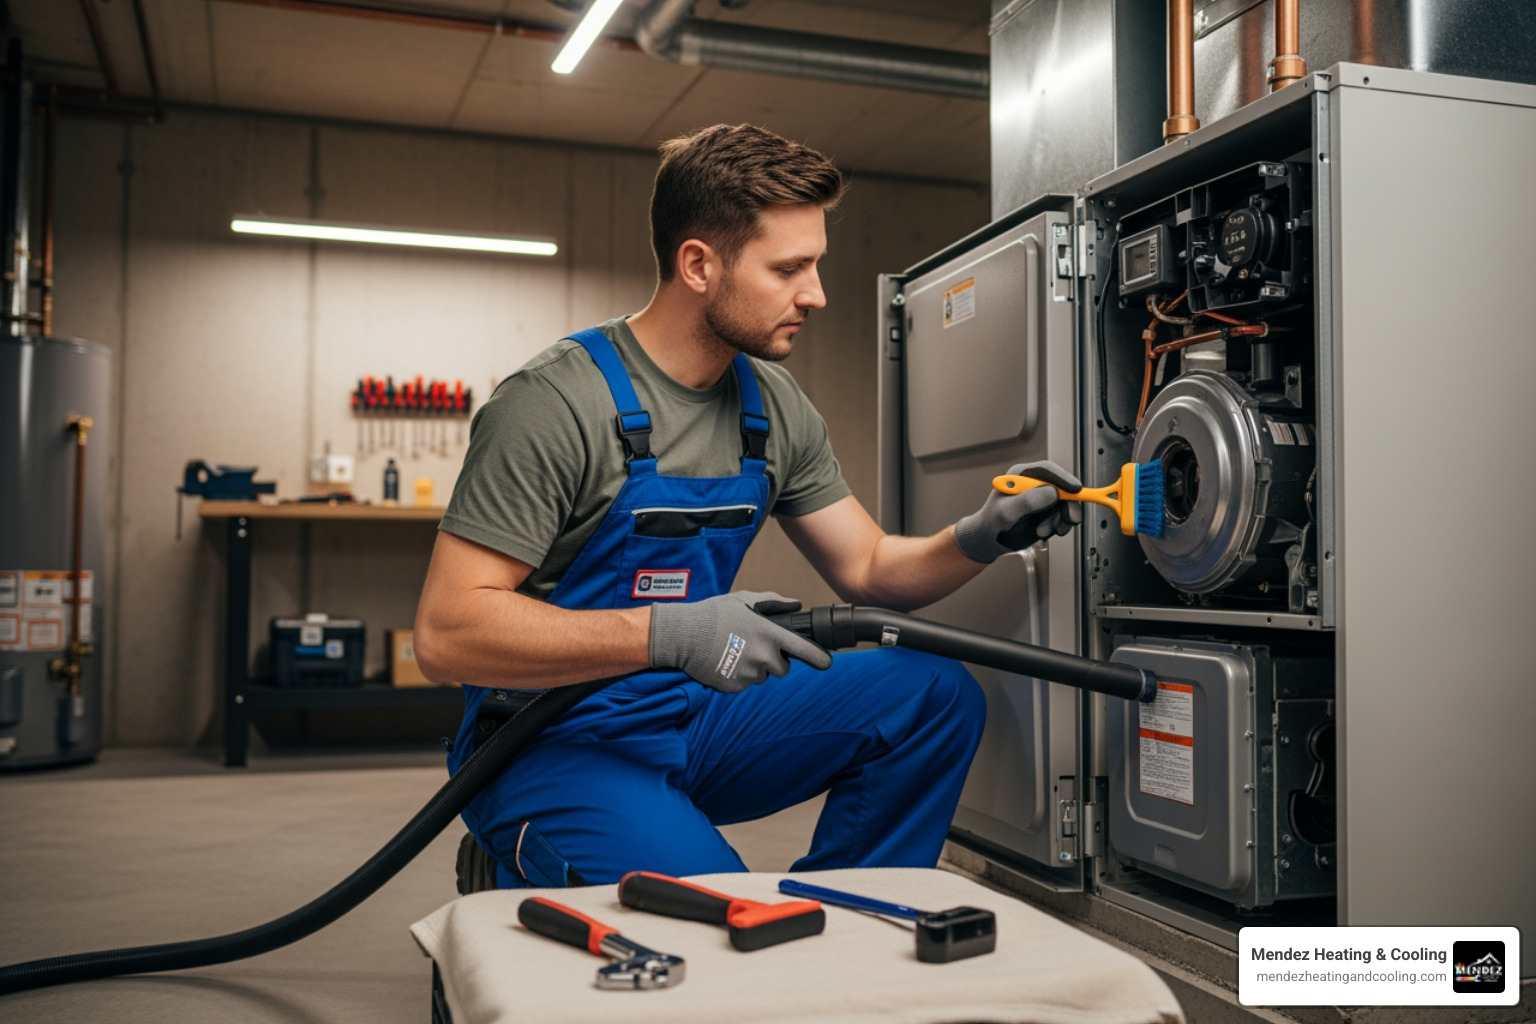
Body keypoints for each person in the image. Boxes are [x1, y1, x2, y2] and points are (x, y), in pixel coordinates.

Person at [414, 123, 1082, 890]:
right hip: (552, 739)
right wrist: (672, 630)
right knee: (712, 918)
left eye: (817, 265)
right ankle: (514, 860)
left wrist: (979, 538)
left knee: (932, 694)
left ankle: (848, 915)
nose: (817, 294)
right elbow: (446, 633)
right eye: (790, 268)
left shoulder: (771, 406)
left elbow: (868, 568)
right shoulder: (557, 403)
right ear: (698, 264)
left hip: (689, 715)